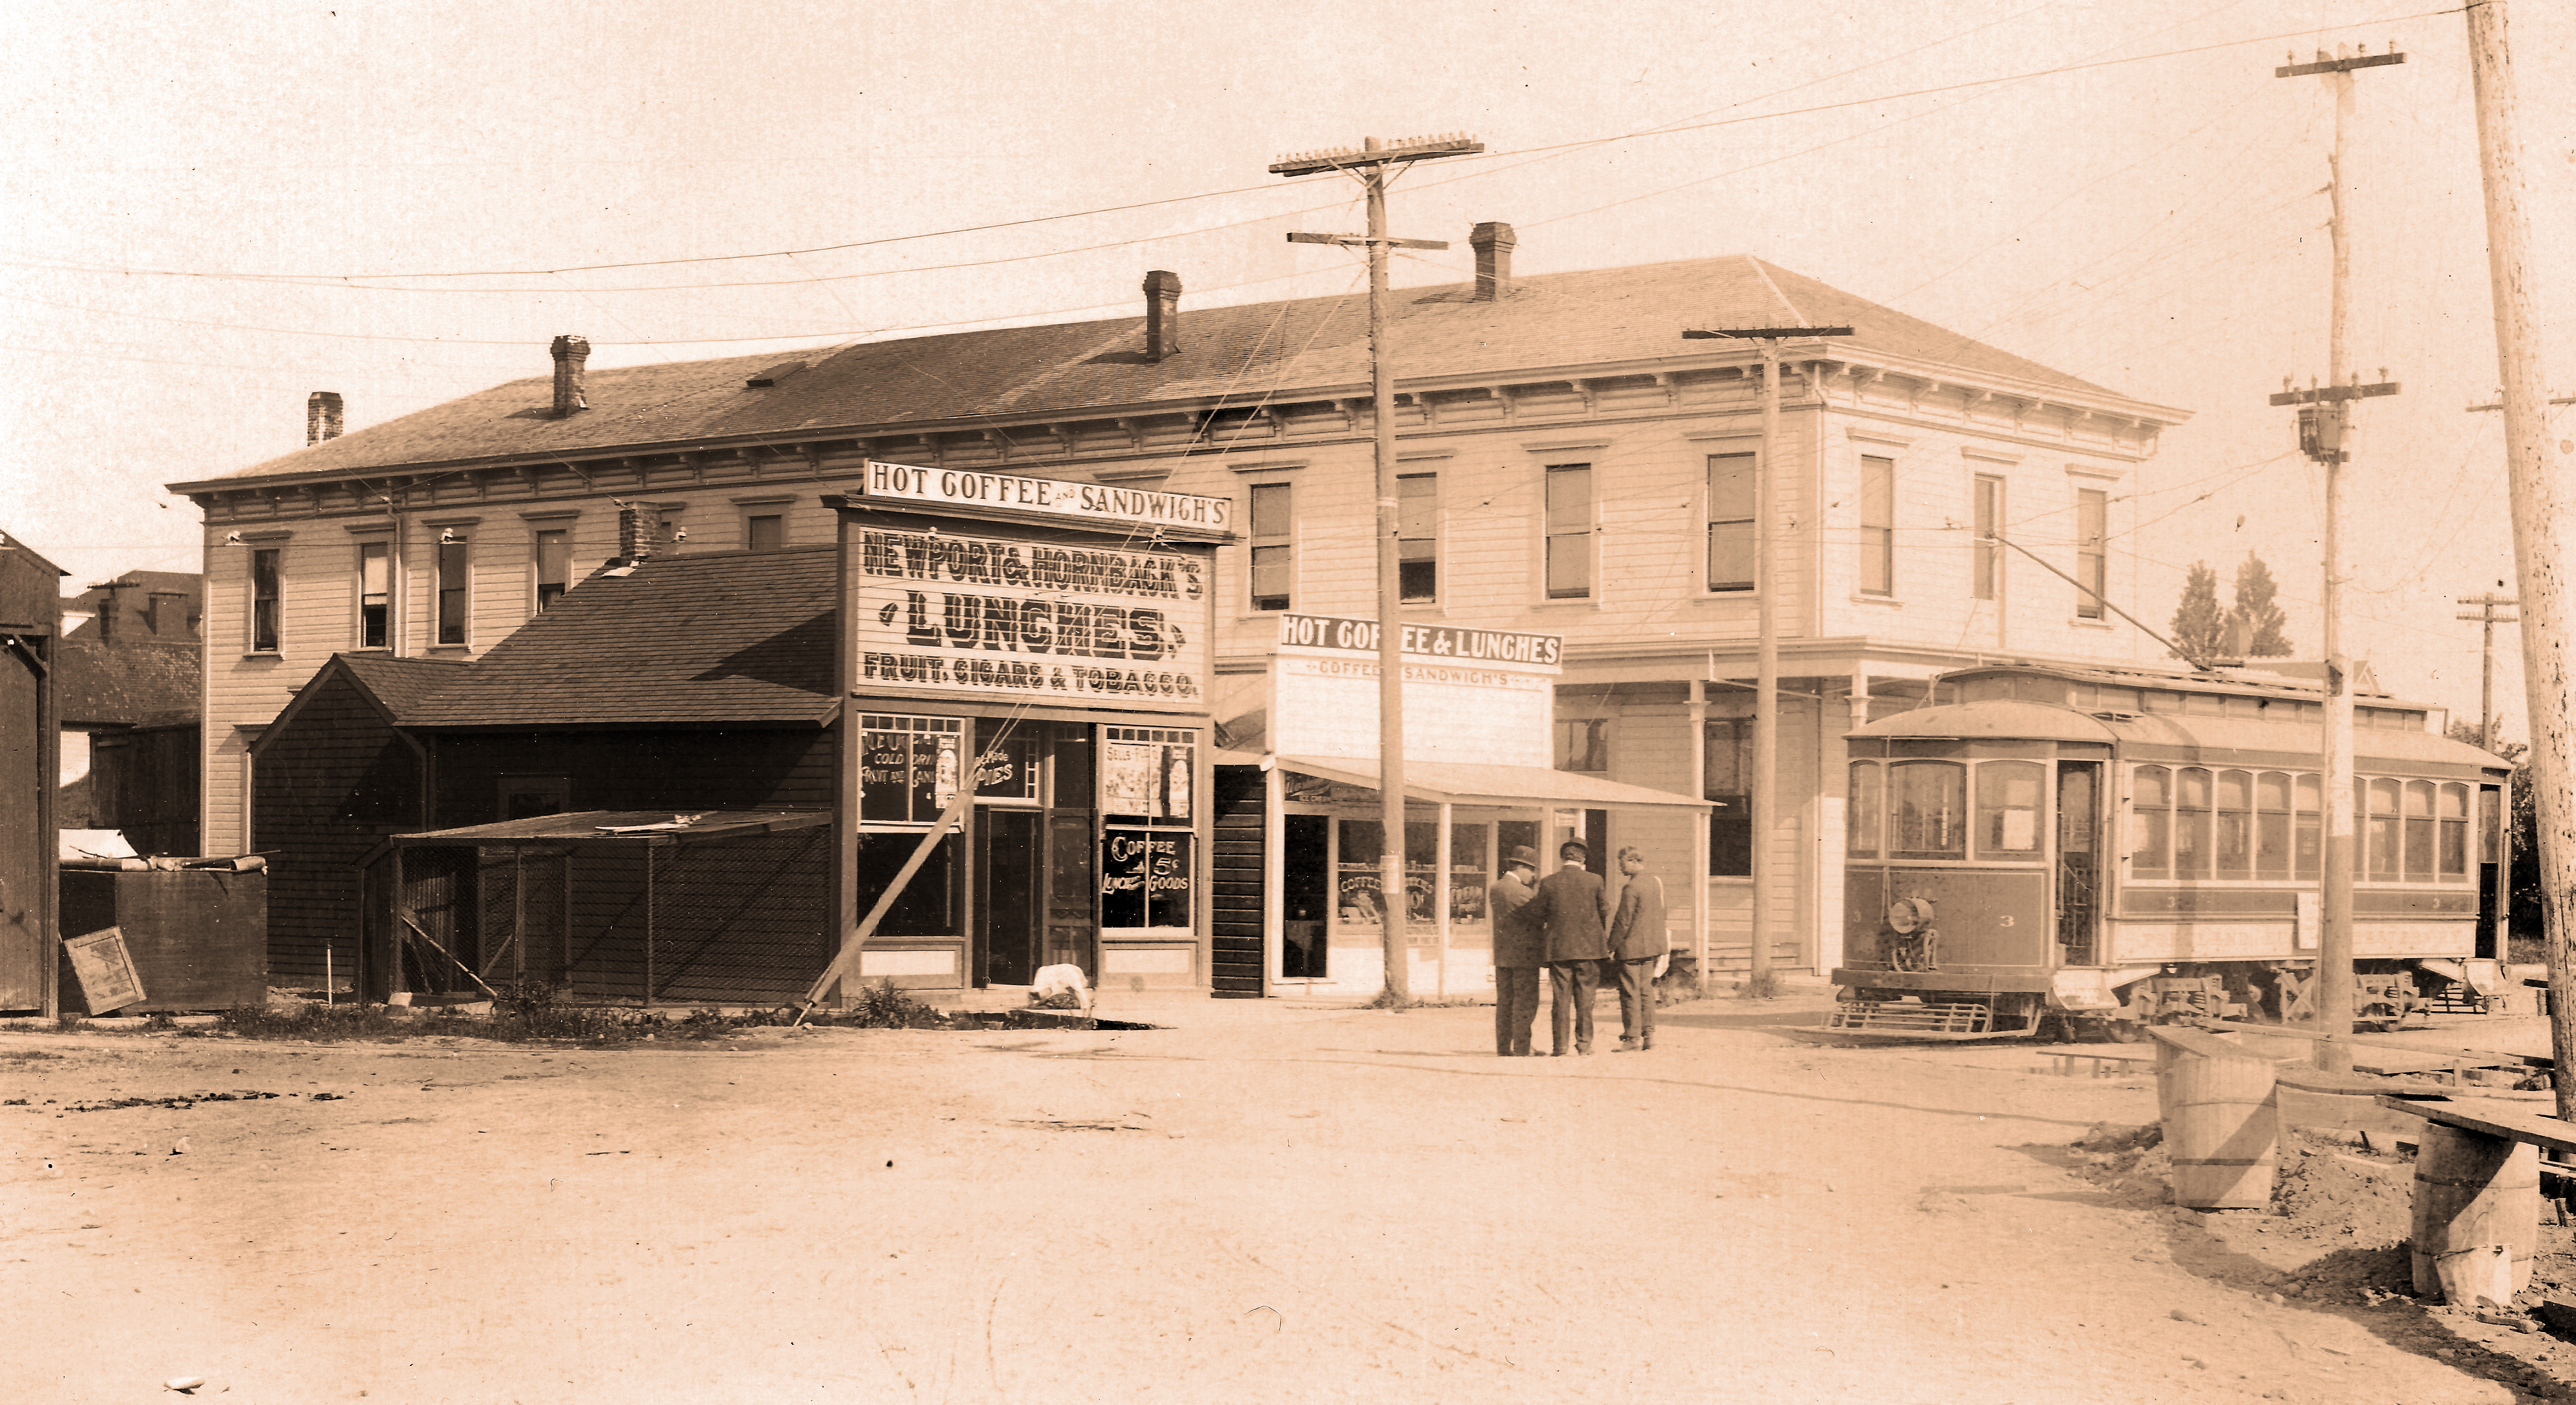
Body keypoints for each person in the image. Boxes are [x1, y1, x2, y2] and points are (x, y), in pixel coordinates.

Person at [1526, 839, 1610, 1055]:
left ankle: (1560, 1047)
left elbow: (1537, 913)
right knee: (1586, 999)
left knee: (1560, 999)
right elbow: (1605, 910)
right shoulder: (1595, 880)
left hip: (1559, 949)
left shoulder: (1549, 882)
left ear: (1563, 858)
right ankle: (1584, 1045)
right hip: (1589, 949)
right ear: (1583, 859)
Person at [1606, 845, 1667, 1051]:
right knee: (1646, 991)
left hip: (1632, 948)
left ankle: (1632, 1038)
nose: (1620, 868)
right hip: (1652, 946)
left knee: (1630, 992)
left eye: (1622, 863)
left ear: (1633, 862)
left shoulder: (1631, 888)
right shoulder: (1655, 883)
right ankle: (1649, 1036)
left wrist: (1610, 946)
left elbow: (1623, 921)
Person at [1487, 846, 1544, 1056]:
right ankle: (1522, 1046)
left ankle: (1503, 1046)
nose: (1534, 875)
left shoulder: (1496, 888)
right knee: (1525, 1003)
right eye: (1532, 870)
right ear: (1521, 867)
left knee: (1505, 1002)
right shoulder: (1522, 892)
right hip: (1524, 955)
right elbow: (1539, 917)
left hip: (1503, 955)